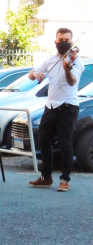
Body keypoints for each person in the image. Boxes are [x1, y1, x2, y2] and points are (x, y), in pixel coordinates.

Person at [28, 28, 84, 192]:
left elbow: (72, 81)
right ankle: (46, 177)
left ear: (71, 42)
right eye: (60, 40)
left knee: (66, 143)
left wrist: (67, 69)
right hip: (51, 105)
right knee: (44, 141)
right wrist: (36, 74)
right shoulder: (51, 60)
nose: (63, 42)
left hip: (68, 106)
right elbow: (31, 73)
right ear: (55, 42)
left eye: (67, 40)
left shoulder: (76, 61)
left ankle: (65, 180)